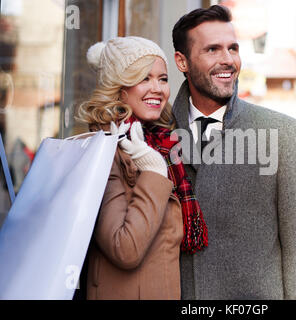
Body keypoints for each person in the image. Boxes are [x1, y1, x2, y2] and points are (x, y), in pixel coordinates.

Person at [171, 5, 296, 299]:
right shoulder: (154, 133)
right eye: (212, 50)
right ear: (182, 61)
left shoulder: (282, 134)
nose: (228, 60)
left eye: (233, 48)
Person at [76, 36, 208, 299]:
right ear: (119, 88)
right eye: (143, 78)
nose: (157, 88)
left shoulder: (161, 144)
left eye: (162, 78)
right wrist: (153, 171)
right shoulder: (104, 150)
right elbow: (125, 248)